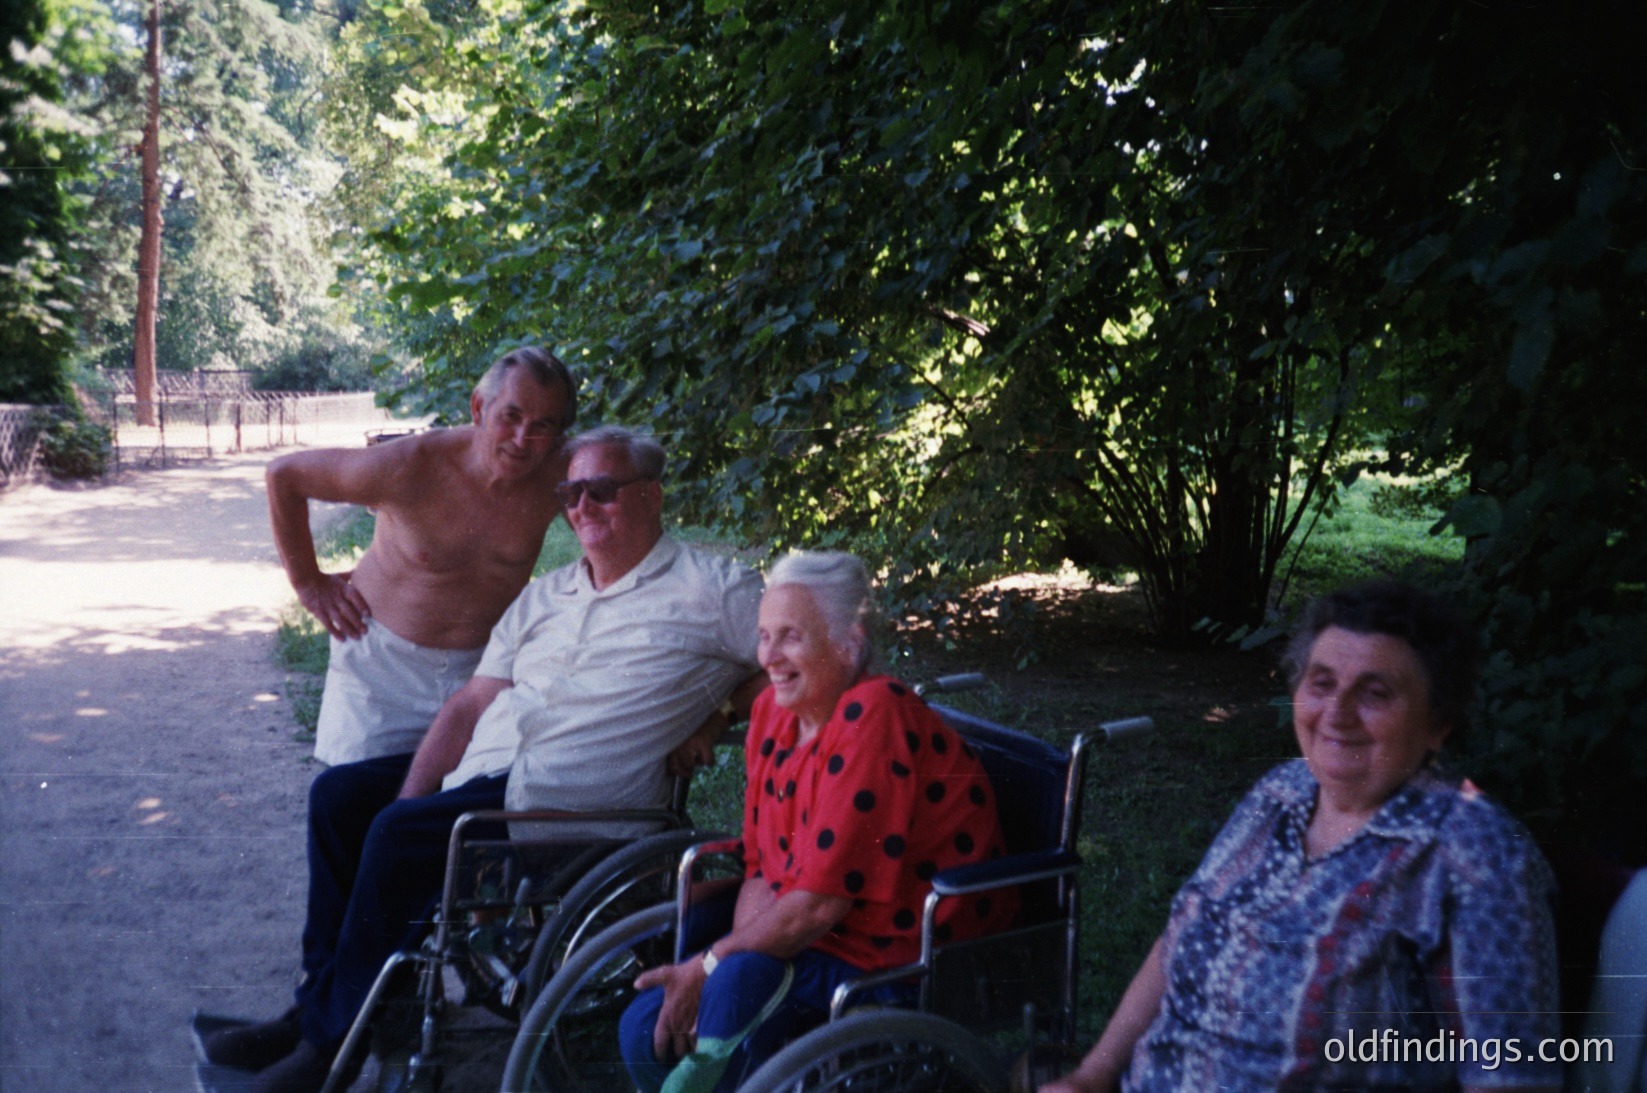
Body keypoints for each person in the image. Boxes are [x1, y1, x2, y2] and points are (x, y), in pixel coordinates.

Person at [208, 426, 766, 1093]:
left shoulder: (712, 589)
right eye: (571, 493)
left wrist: (718, 714)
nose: (583, 507)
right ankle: (313, 1008)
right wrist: (411, 800)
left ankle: (327, 1050)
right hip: (489, 771)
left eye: (603, 491)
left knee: (398, 836)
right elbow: (468, 707)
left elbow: (799, 659)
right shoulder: (545, 596)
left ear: (649, 496)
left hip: (571, 806)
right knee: (341, 799)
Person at [1043, 581, 1561, 1093]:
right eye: (1321, 683)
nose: (1336, 714)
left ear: (1439, 722)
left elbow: (1512, 1075)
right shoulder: (1282, 791)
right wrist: (1091, 1076)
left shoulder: (1475, 854)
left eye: (1375, 692)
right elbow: (1181, 932)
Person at [619, 551, 1018, 1093]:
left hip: (902, 954)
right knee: (644, 1029)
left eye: (791, 636)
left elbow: (822, 902)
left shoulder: (874, 712)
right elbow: (762, 869)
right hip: (816, 938)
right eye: (764, 636)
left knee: (719, 1027)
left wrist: (713, 969)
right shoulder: (771, 714)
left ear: (848, 644)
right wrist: (723, 975)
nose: (770, 657)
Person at [265, 345, 575, 766]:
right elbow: (284, 476)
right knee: (353, 806)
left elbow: (625, 505)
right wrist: (308, 583)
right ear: (479, 406)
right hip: (380, 670)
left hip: (485, 673)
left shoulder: (561, 476)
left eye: (543, 426)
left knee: (458, 815)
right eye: (511, 416)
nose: (523, 440)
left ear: (560, 434)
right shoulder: (412, 465)